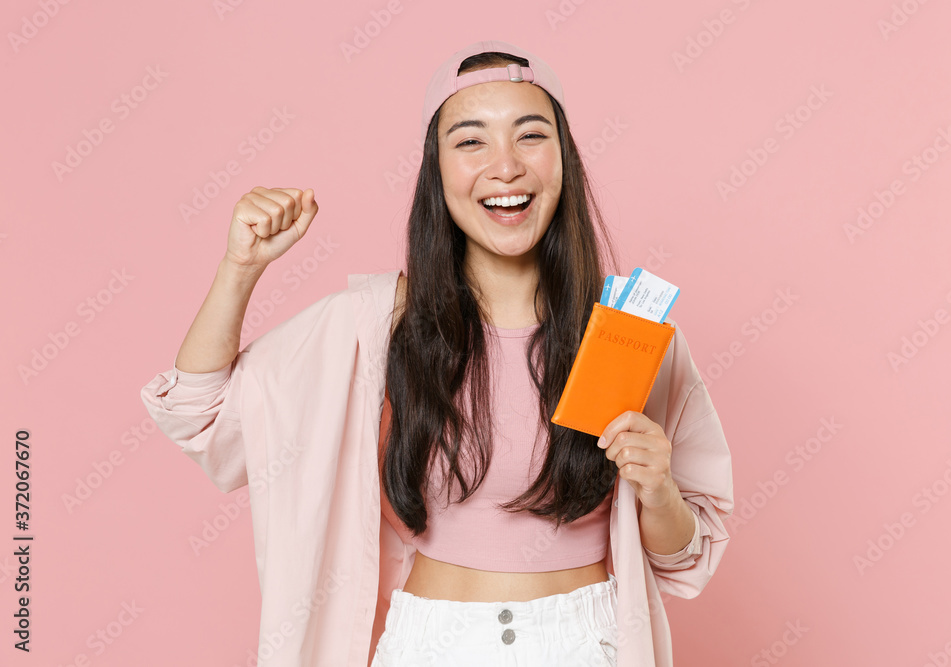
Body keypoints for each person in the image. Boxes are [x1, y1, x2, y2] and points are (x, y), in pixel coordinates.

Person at [140, 40, 733, 667]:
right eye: (471, 141)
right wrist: (240, 268)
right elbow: (200, 413)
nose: (505, 167)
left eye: (530, 136)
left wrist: (659, 489)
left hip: (587, 644)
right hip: (431, 645)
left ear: (565, 159)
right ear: (437, 172)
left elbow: (684, 555)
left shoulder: (629, 336)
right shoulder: (375, 327)